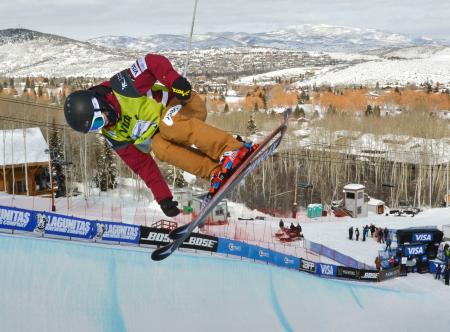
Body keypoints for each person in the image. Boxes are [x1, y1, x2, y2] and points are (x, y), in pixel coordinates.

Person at [64, 53, 257, 217]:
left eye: (99, 120)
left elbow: (150, 62)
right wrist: (162, 197)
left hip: (184, 103)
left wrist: (175, 81)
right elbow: (142, 164)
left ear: (99, 103)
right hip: (171, 128)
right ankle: (215, 172)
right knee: (160, 148)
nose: (103, 125)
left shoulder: (123, 87)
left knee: (167, 124)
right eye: (96, 128)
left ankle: (233, 149)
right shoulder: (113, 133)